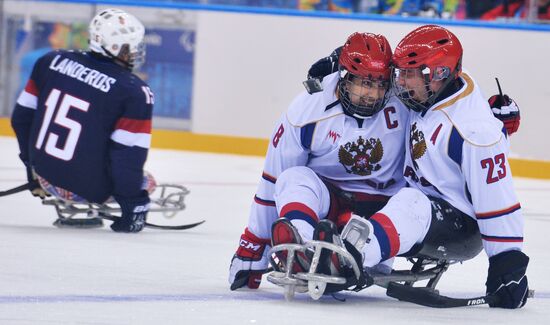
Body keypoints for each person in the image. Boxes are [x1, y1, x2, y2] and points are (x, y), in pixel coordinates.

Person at [331, 24, 528, 309]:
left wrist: (508, 264)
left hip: (459, 223)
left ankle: (351, 257)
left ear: (441, 74)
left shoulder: (474, 132)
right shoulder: (434, 91)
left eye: (413, 74)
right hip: (417, 199)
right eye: (403, 73)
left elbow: (498, 200)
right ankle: (338, 242)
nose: (403, 83)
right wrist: (337, 59)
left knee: (411, 202)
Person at [229, 32, 411, 290]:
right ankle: (304, 247)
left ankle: (359, 251)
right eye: (364, 84)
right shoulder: (307, 108)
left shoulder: (404, 102)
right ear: (344, 77)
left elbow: (442, 78)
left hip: (380, 210)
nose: (373, 94)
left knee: (412, 199)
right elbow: (273, 179)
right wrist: (253, 242)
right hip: (329, 204)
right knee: (292, 178)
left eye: (380, 84)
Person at [11, 8, 153, 233]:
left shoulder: (50, 60)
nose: (134, 52)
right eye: (129, 47)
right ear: (111, 46)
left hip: (46, 178)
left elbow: (21, 118)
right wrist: (133, 204)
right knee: (147, 181)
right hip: (88, 190)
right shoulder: (135, 91)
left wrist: (32, 168)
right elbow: (127, 157)